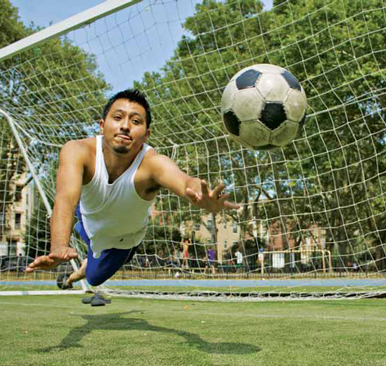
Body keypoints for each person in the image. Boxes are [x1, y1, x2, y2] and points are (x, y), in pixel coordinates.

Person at [25, 89, 239, 302]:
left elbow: (184, 181)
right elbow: (65, 199)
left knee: (94, 278)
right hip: (87, 216)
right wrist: (59, 247)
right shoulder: (77, 150)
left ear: (146, 134)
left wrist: (202, 196)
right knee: (80, 219)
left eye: (135, 121)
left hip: (121, 239)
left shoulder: (151, 165)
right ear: (102, 125)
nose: (125, 126)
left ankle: (80, 270)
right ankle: (87, 245)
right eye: (117, 117)